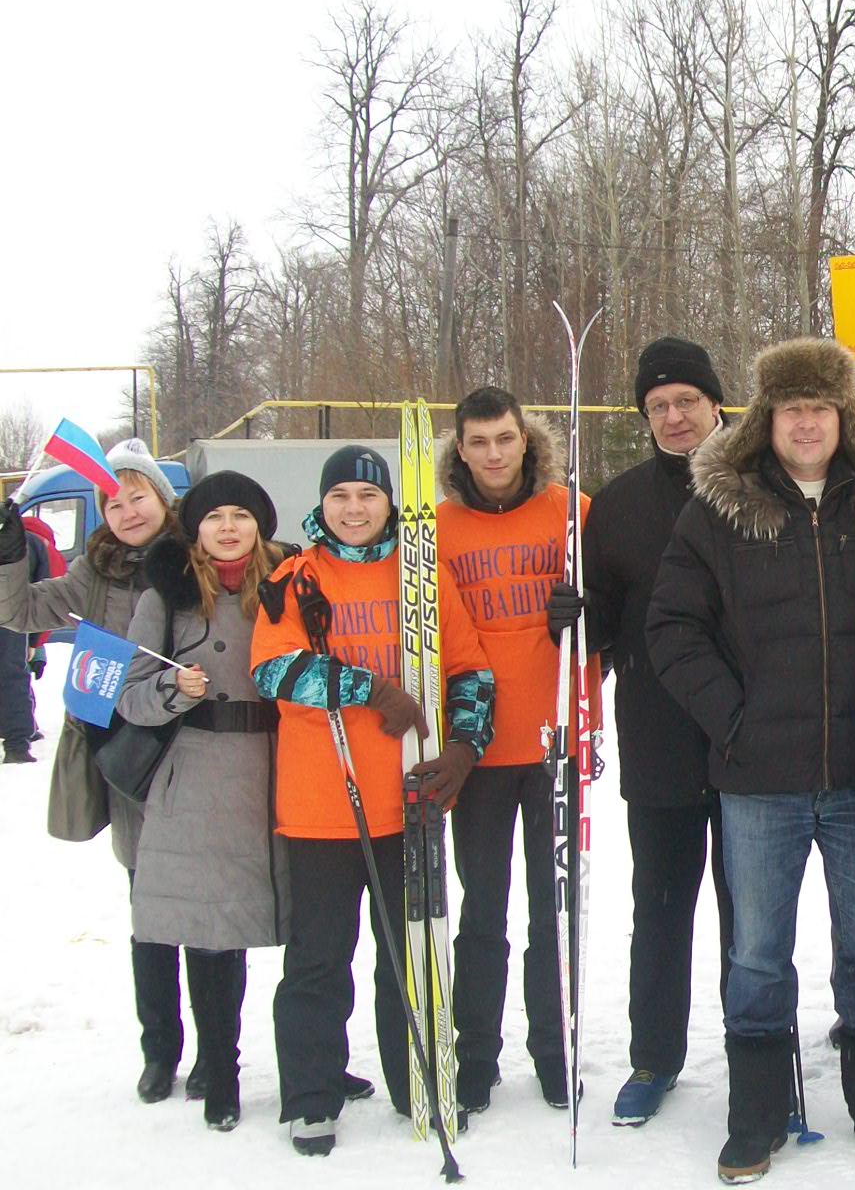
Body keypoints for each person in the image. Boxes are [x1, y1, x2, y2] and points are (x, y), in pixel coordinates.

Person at [647, 337, 855, 1183]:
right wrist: (732, 718)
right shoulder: (719, 508)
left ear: (845, 419)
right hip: (757, 779)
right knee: (758, 953)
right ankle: (756, 1115)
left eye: (822, 408)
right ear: (767, 420)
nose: (807, 423)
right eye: (791, 408)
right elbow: (672, 628)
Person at [251, 445, 495, 1157]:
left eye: (367, 495)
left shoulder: (424, 575)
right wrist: (370, 688)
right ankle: (311, 1094)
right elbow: (276, 670)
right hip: (322, 806)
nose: (354, 509)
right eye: (341, 497)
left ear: (390, 503)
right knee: (320, 956)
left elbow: (469, 669)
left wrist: (464, 750)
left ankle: (416, 1079)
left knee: (410, 957)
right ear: (322, 506)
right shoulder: (296, 579)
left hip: (409, 801)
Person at [0, 440, 199, 1104]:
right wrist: (6, 552)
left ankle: (216, 1056)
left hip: (201, 757)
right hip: (133, 766)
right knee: (149, 910)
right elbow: (21, 612)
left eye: (137, 495)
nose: (126, 509)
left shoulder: (198, 557)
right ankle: (160, 1051)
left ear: (162, 500)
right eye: (113, 501)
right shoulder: (96, 572)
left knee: (205, 909)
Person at [580, 337, 735, 1127]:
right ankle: (654, 1054)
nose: (675, 417)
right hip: (658, 735)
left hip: (749, 737)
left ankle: (756, 1050)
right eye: (659, 407)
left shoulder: (760, 485)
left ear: (717, 403)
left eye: (687, 401)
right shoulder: (619, 502)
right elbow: (605, 616)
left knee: (751, 914)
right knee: (663, 905)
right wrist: (579, 619)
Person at [117, 472, 291, 1132]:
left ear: (258, 524)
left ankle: (297, 1062)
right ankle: (219, 1072)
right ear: (195, 527)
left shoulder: (287, 583)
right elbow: (129, 694)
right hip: (193, 776)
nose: (226, 527)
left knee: (246, 926)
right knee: (208, 932)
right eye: (213, 515)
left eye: (240, 515)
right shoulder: (170, 593)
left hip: (269, 770)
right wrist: (173, 690)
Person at [435, 386, 591, 1113]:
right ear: (460, 449)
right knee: (483, 910)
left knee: (552, 910)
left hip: (552, 738)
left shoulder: (571, 511)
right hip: (478, 748)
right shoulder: (435, 528)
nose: (494, 454)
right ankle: (475, 1055)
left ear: (524, 440)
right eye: (479, 442)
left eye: (505, 438)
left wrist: (584, 621)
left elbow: (616, 614)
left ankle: (553, 1050)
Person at [1, 517, 50, 763]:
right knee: (13, 676)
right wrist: (34, 643)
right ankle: (17, 744)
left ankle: (18, 742)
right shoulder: (29, 542)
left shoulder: (27, 542)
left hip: (13, 618)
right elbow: (42, 589)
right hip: (13, 621)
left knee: (12, 676)